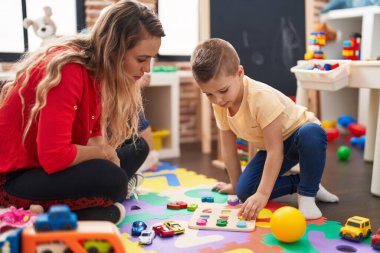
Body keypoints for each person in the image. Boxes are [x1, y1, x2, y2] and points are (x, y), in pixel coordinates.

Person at [0, 0, 165, 224]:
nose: (146, 69)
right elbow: (54, 156)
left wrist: (103, 152)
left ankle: (99, 200)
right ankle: (99, 204)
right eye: (141, 59)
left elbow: (93, 132)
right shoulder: (69, 70)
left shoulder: (97, 71)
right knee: (112, 179)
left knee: (137, 147)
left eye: (150, 60)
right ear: (114, 50)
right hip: (16, 178)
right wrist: (102, 153)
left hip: (46, 166)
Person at [191, 38, 339, 220]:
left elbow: (275, 151)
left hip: (298, 136)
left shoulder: (260, 98)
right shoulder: (220, 104)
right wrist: (236, 186)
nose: (218, 100)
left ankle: (308, 193)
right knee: (245, 192)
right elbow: (228, 150)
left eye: (223, 90)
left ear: (239, 73)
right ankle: (308, 182)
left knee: (312, 132)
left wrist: (262, 194)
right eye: (209, 94)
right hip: (273, 147)